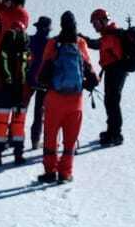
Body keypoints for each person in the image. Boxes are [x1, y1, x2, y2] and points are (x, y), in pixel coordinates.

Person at [35, 11, 96, 183]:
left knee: (50, 137)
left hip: (54, 98)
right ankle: (65, 172)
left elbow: (42, 72)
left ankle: (50, 172)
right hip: (75, 101)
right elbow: (90, 70)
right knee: (69, 141)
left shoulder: (53, 44)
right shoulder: (81, 43)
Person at [0, 20, 31, 165]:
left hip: (3, 91)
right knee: (18, 124)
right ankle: (18, 155)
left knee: (0, 124)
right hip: (21, 91)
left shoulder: (3, 49)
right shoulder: (26, 51)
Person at [86, 8, 128, 146]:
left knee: (112, 102)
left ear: (103, 21)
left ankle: (116, 135)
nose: (94, 26)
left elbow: (96, 44)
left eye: (95, 23)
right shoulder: (109, 33)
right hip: (113, 70)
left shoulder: (111, 35)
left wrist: (82, 39)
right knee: (110, 101)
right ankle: (112, 131)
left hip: (116, 71)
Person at [25, 15, 51, 149]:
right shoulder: (50, 43)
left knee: (21, 110)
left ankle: (14, 137)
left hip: (28, 79)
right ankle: (35, 141)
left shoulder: (29, 40)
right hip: (42, 81)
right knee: (39, 112)